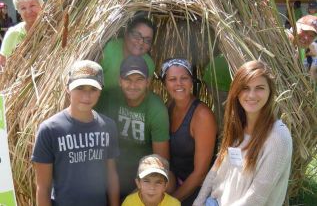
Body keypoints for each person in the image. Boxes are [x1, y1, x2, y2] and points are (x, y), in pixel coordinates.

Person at [193, 60, 293, 206]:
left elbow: (256, 197)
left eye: (259, 88)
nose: (251, 95)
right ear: (236, 92)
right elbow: (216, 170)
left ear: (270, 92)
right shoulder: (236, 126)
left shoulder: (278, 138)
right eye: (245, 88)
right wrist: (198, 202)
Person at [32, 60, 120, 206]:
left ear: (100, 91)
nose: (86, 96)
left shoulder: (108, 126)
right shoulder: (50, 130)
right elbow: (43, 188)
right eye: (80, 88)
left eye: (93, 89)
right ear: (68, 88)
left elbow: (112, 176)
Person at [98, 55, 169, 199]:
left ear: (148, 82)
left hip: (142, 180)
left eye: (139, 80)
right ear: (120, 81)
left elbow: (160, 161)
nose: (133, 85)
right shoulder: (107, 98)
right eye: (128, 80)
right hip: (108, 174)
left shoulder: (156, 109)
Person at [161, 58, 217, 205]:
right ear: (164, 83)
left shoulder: (202, 116)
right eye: (172, 79)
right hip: (172, 181)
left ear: (191, 81)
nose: (178, 83)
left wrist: (170, 202)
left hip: (195, 190)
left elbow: (200, 174)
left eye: (184, 78)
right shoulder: (168, 106)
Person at [99, 16, 156, 94]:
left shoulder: (149, 64)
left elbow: (141, 95)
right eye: (136, 35)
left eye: (147, 40)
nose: (141, 42)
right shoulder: (109, 49)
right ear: (126, 33)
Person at [0, 0, 43, 67]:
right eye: (23, 8)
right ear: (18, 11)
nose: (29, 11)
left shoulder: (53, 29)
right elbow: (2, 65)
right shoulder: (12, 34)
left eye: (32, 5)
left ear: (42, 6)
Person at [203, 54, 231, 128]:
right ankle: (225, 135)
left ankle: (220, 133)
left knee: (219, 109)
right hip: (219, 81)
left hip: (209, 76)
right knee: (227, 113)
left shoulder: (225, 54)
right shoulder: (240, 54)